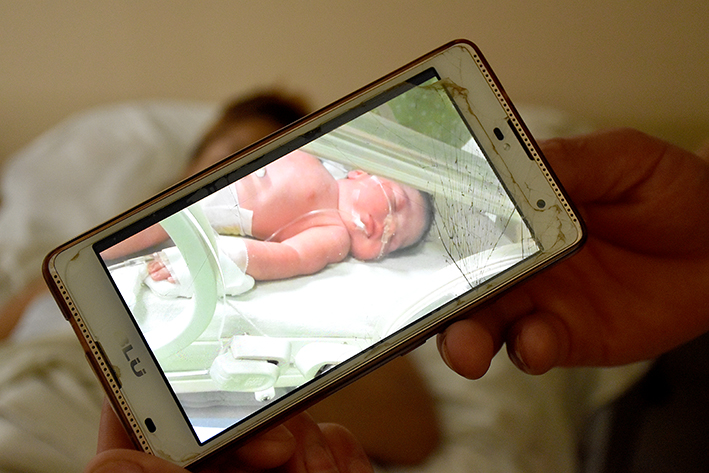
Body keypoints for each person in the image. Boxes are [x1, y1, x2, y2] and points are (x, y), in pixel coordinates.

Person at [87, 126, 709, 473]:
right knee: (154, 234)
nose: (387, 229)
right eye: (232, 156)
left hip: (138, 402)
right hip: (67, 363)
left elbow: (290, 258)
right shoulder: (68, 270)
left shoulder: (330, 230)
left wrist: (239, 260)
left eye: (396, 235)